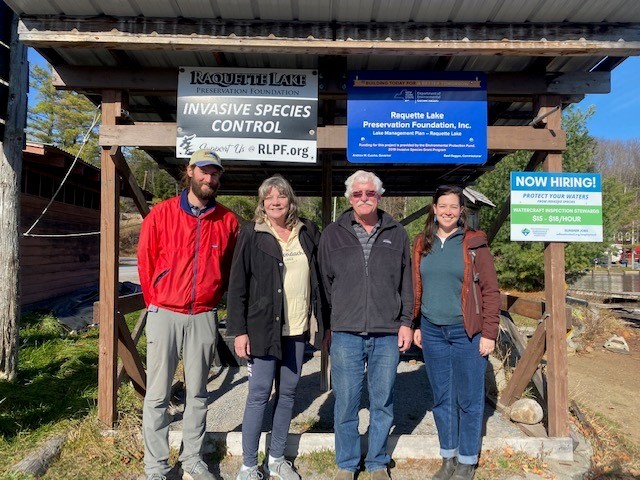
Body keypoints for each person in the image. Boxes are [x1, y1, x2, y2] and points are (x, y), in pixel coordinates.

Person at [137, 149, 239, 480]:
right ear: (190, 171)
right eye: (205, 172)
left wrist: (210, 298)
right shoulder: (161, 214)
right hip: (164, 311)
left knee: (197, 393)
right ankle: (156, 467)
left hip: (204, 316)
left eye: (216, 174)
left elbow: (228, 269)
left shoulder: (227, 220)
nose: (210, 179)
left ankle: (192, 457)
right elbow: (145, 261)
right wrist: (157, 301)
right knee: (157, 394)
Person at [226, 175, 328, 480]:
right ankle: (247, 465)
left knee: (287, 394)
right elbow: (237, 285)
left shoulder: (307, 231)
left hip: (296, 331)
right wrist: (238, 330)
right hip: (261, 331)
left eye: (280, 196)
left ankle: (277, 458)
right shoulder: (252, 232)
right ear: (262, 202)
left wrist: (323, 325)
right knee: (258, 394)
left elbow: (321, 279)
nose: (275, 202)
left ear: (290, 200)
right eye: (268, 197)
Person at [318, 170, 413, 480]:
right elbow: (322, 283)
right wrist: (327, 326)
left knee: (382, 402)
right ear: (349, 198)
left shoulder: (397, 232)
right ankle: (347, 463)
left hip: (386, 332)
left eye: (369, 193)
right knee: (346, 402)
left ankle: (377, 462)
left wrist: (406, 322)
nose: (363, 198)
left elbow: (407, 283)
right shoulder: (332, 233)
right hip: (345, 331)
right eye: (357, 194)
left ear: (379, 196)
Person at [411, 185, 500, 480]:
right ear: (434, 209)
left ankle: (466, 460)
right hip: (432, 331)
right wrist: (416, 325)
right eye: (443, 206)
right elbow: (416, 287)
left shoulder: (475, 243)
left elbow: (490, 291)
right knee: (442, 397)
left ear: (461, 211)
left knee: (470, 398)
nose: (448, 211)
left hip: (468, 332)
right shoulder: (422, 243)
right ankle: (448, 456)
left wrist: (489, 332)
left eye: (454, 206)